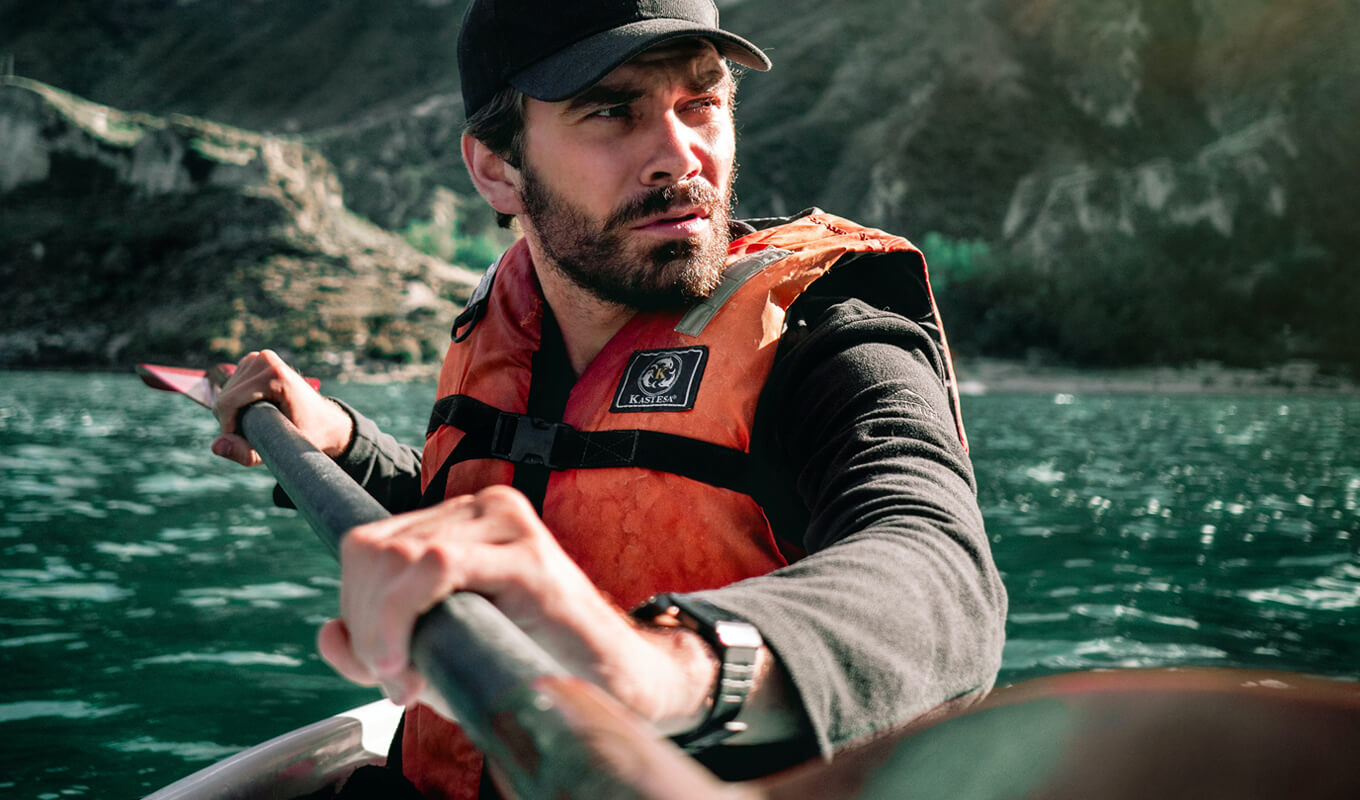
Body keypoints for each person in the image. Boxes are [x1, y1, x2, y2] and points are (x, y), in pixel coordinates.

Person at [211, 1, 1007, 798]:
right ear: (497, 167)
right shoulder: (510, 327)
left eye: (701, 103)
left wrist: (664, 666)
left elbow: (941, 574)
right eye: (611, 112)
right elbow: (492, 501)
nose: (678, 156)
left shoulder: (825, 343)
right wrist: (343, 438)